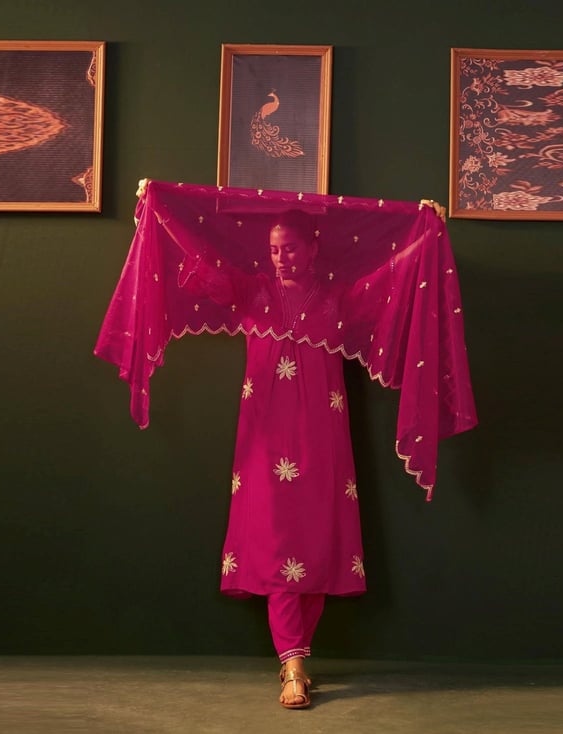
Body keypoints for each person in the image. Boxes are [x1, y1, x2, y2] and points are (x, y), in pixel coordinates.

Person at [98, 181, 466, 710]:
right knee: (276, 541)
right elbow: (201, 264)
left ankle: (297, 656)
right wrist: (157, 204)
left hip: (323, 434)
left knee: (316, 540)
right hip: (265, 438)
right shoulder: (251, 292)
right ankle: (292, 665)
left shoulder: (336, 300)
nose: (280, 258)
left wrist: (424, 234)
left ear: (313, 249)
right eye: (273, 250)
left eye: (289, 248)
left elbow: (390, 281)